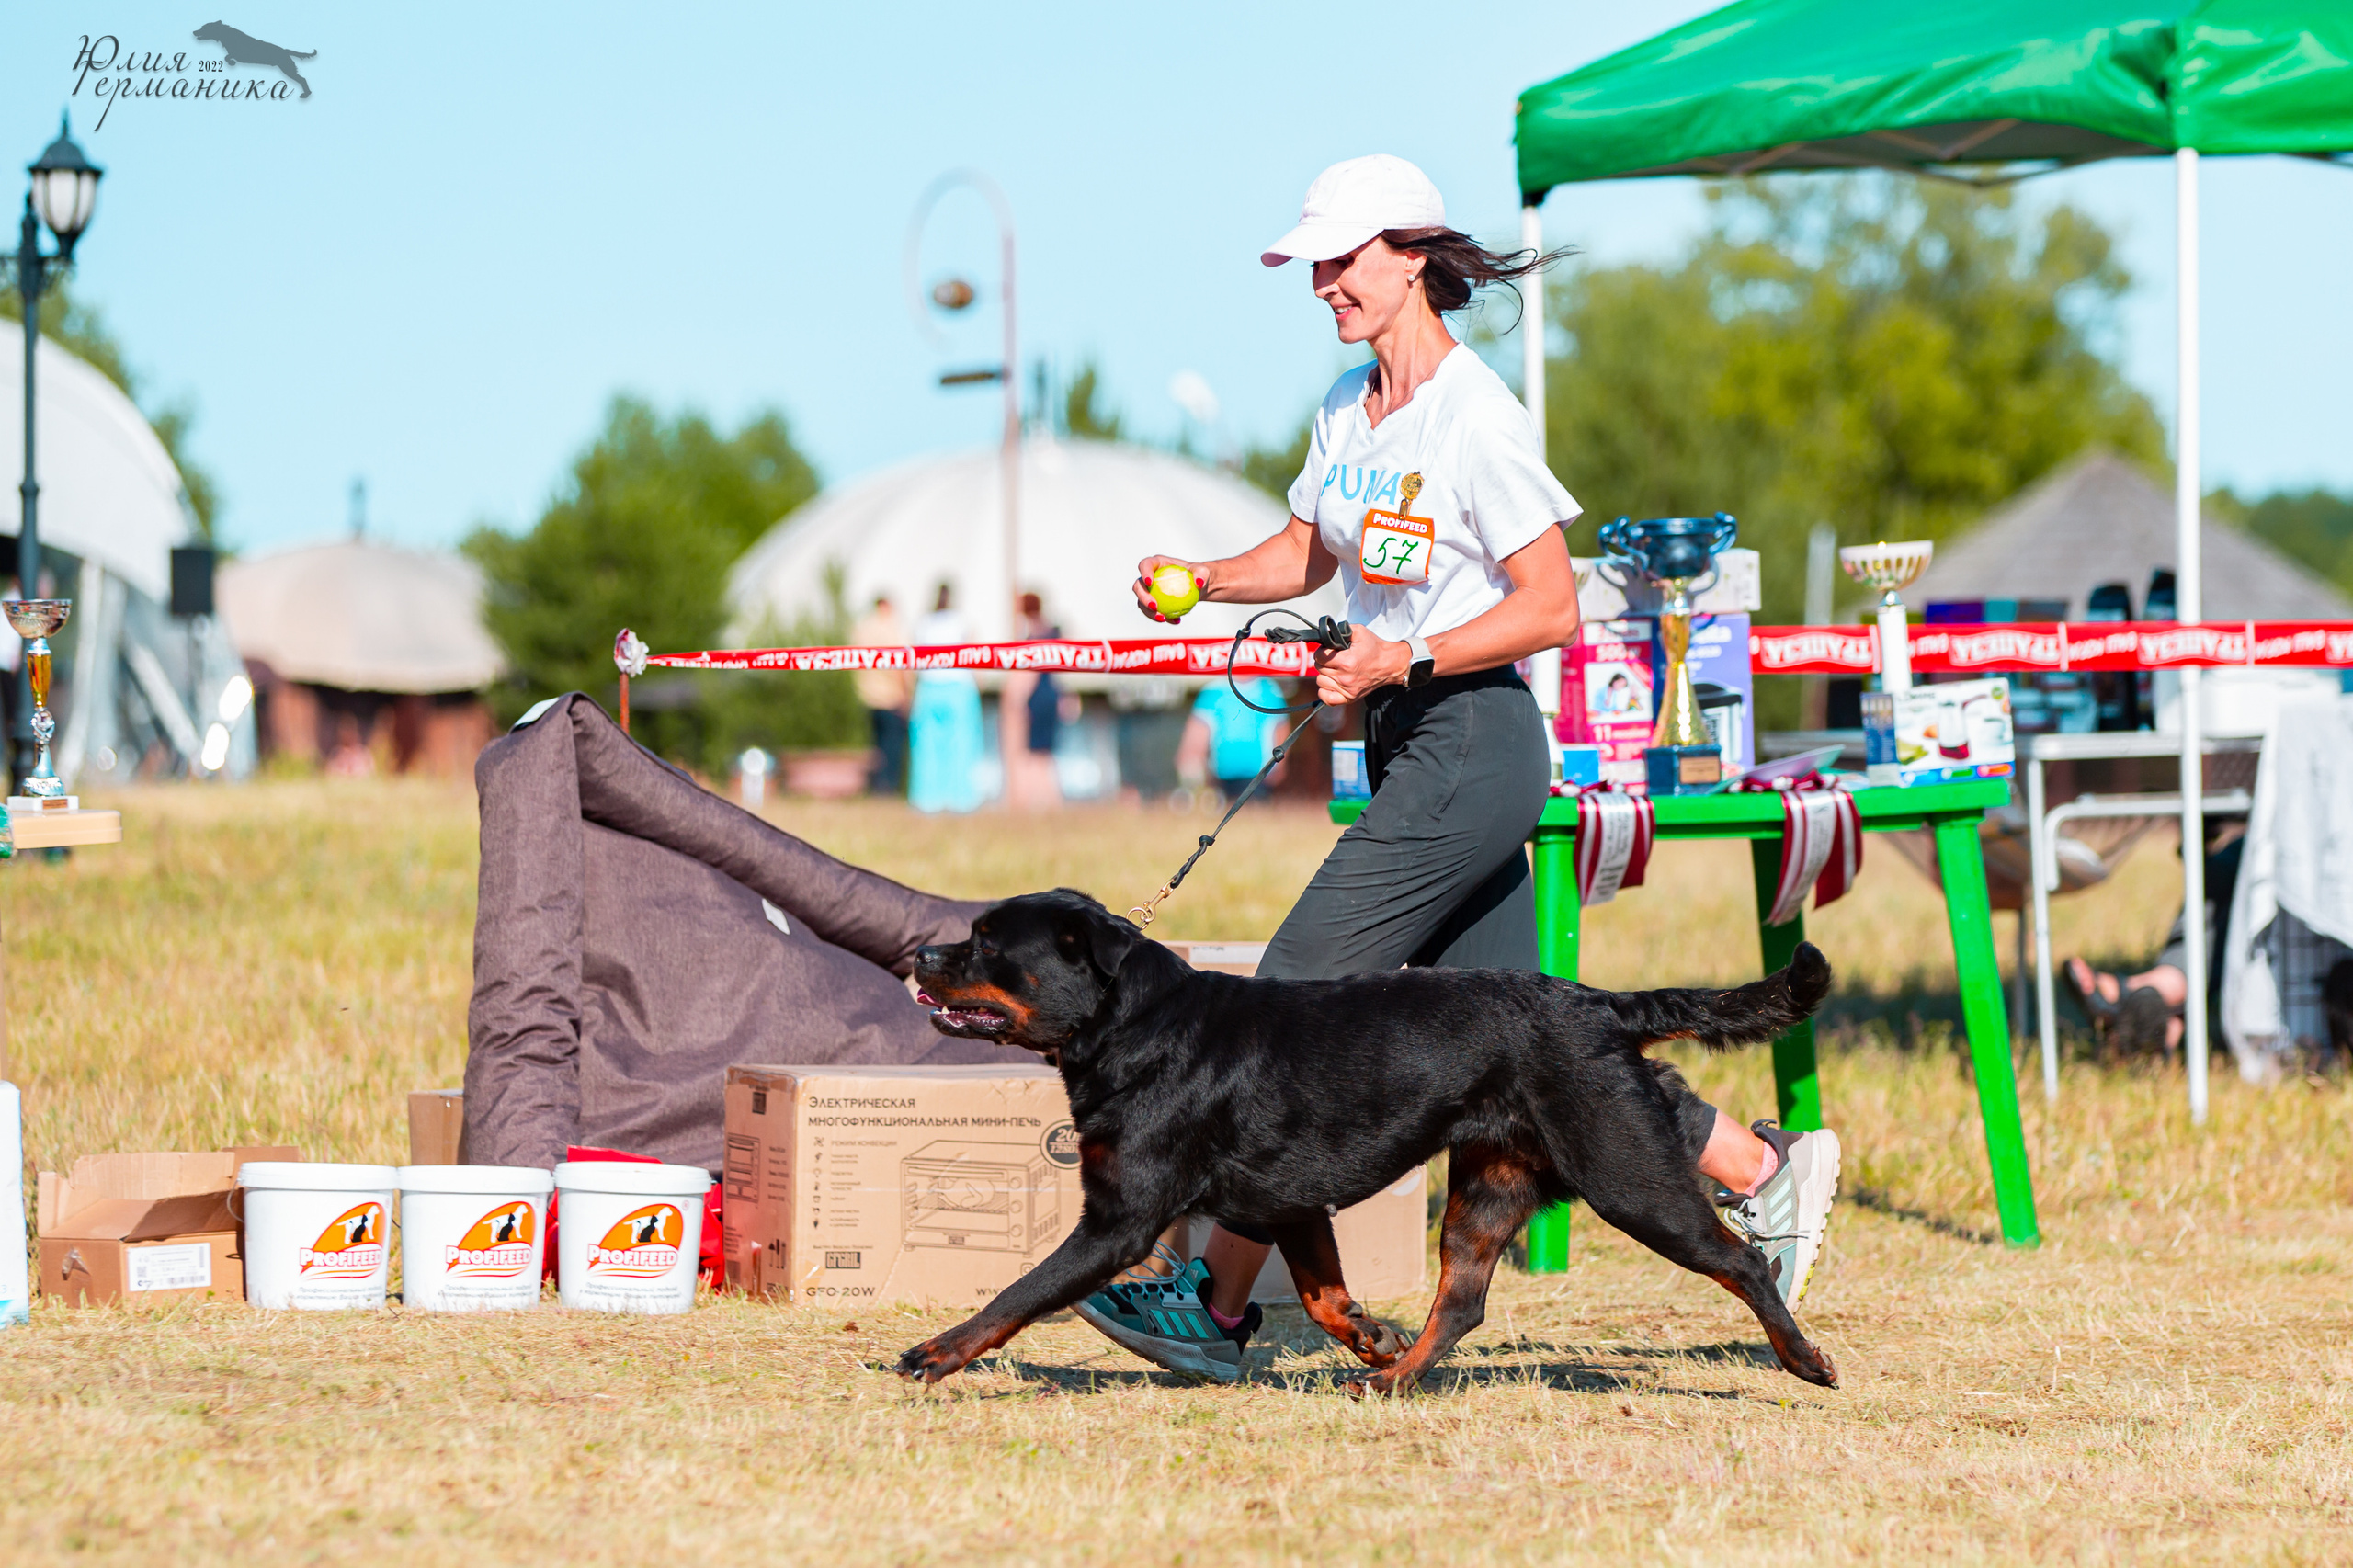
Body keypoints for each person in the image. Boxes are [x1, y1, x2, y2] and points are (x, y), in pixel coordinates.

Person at [1071, 153, 1842, 1383]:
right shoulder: (1347, 405)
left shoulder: (1477, 416)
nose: (1324, 283)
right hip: (1408, 736)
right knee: (1537, 1045)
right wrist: (1204, 580)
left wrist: (1403, 656)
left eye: (1343, 260)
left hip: (1474, 738)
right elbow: (1307, 549)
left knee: (1289, 998)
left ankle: (1212, 1307)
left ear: (1412, 257)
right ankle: (1762, 1169)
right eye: (1315, 264)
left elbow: (1549, 607)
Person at [908, 583, 983, 813]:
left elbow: (912, 661)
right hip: (959, 688)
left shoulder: (923, 623)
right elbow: (975, 655)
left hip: (928, 688)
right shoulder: (963, 621)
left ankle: (927, 800)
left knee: (926, 749)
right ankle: (961, 800)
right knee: (961, 747)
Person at [1178, 676, 1287, 802]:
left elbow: (1280, 727)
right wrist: (1193, 768)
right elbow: (1195, 737)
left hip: (1260, 777)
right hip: (1220, 777)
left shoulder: (1270, 689)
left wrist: (1279, 765)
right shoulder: (1212, 690)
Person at [851, 593, 915, 796]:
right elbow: (899, 666)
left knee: (877, 745)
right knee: (892, 747)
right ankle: (888, 788)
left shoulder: (863, 627)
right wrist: (906, 695)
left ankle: (878, 787)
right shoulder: (891, 628)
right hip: (890, 697)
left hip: (869, 697)